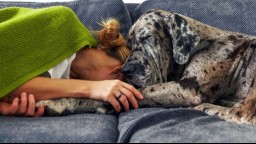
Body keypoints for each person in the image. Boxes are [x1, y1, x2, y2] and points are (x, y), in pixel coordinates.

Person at [0, 6, 143, 117]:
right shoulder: (63, 21)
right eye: (120, 85)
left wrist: (5, 108)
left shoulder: (69, 92)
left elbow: (13, 87)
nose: (112, 89)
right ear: (117, 71)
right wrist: (93, 88)